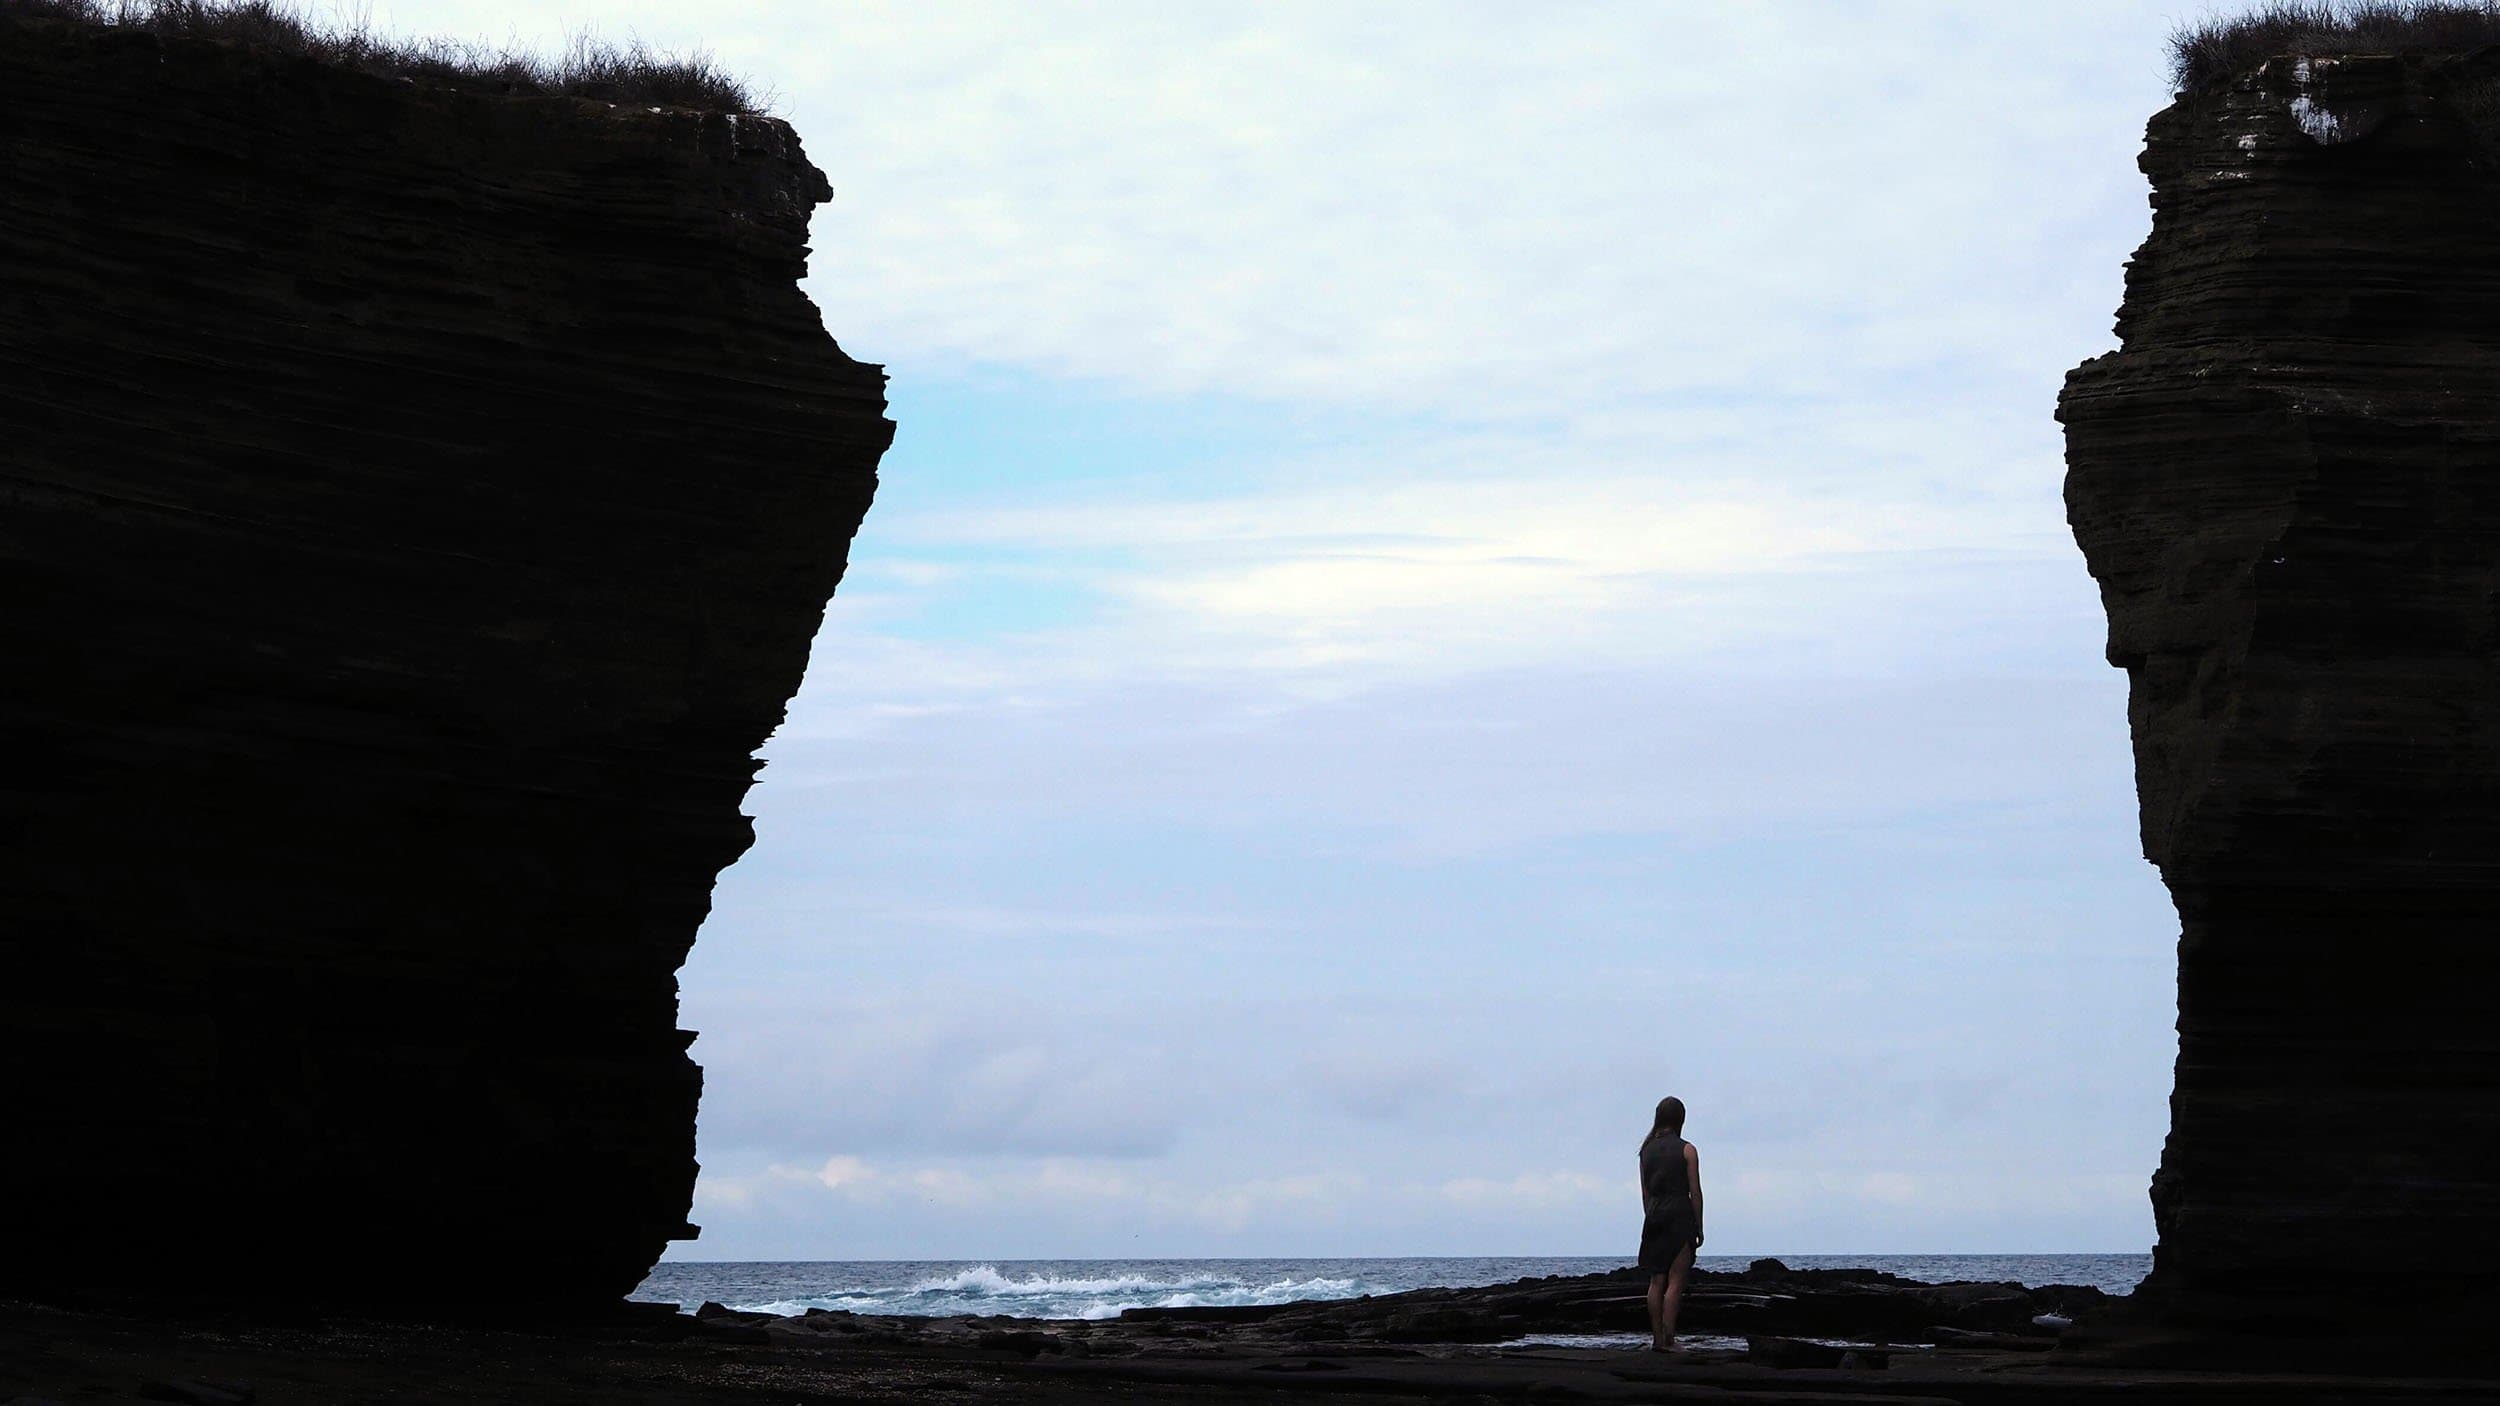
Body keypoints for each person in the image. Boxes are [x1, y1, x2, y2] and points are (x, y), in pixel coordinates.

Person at [1636, 1095, 1703, 1352]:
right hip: (1679, 1215)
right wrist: (1699, 1225)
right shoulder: (1688, 1150)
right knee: (1675, 1281)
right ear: (1681, 1119)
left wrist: (1650, 1216)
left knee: (1656, 1281)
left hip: (1654, 1216)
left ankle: (1656, 1339)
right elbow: (1694, 1192)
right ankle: (1669, 1338)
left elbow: (1645, 1193)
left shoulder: (1645, 1151)